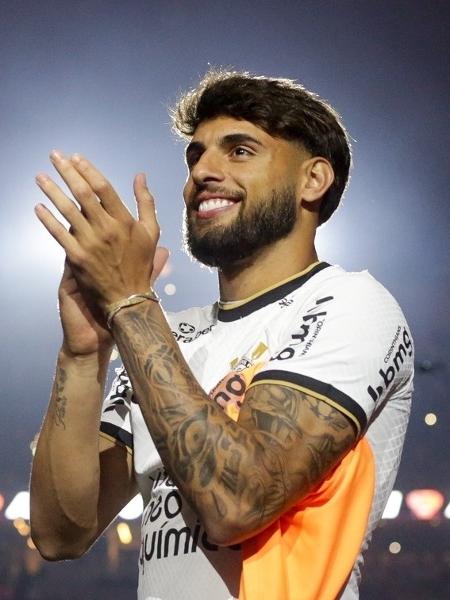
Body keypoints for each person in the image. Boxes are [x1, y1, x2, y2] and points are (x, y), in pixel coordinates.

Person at [30, 69, 414, 600]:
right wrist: (82, 353)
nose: (202, 172)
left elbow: (239, 503)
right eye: (195, 156)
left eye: (239, 151)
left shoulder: (350, 304)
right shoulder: (173, 332)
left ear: (313, 180)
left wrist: (130, 303)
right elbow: (58, 534)